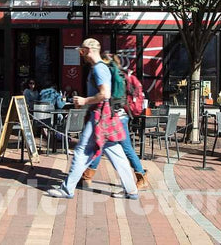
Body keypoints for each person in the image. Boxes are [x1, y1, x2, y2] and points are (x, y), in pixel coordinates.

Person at [47, 38, 138, 200]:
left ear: (89, 50)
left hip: (99, 116)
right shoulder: (100, 68)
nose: (81, 54)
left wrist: (84, 101)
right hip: (105, 116)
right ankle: (131, 190)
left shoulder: (98, 69)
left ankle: (67, 189)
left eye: (82, 51)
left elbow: (105, 94)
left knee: (82, 151)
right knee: (116, 151)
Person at [81, 54, 149, 191]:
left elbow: (105, 95)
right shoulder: (122, 75)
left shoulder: (109, 75)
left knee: (121, 147)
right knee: (103, 144)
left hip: (114, 116)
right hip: (122, 115)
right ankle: (87, 176)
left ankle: (141, 177)